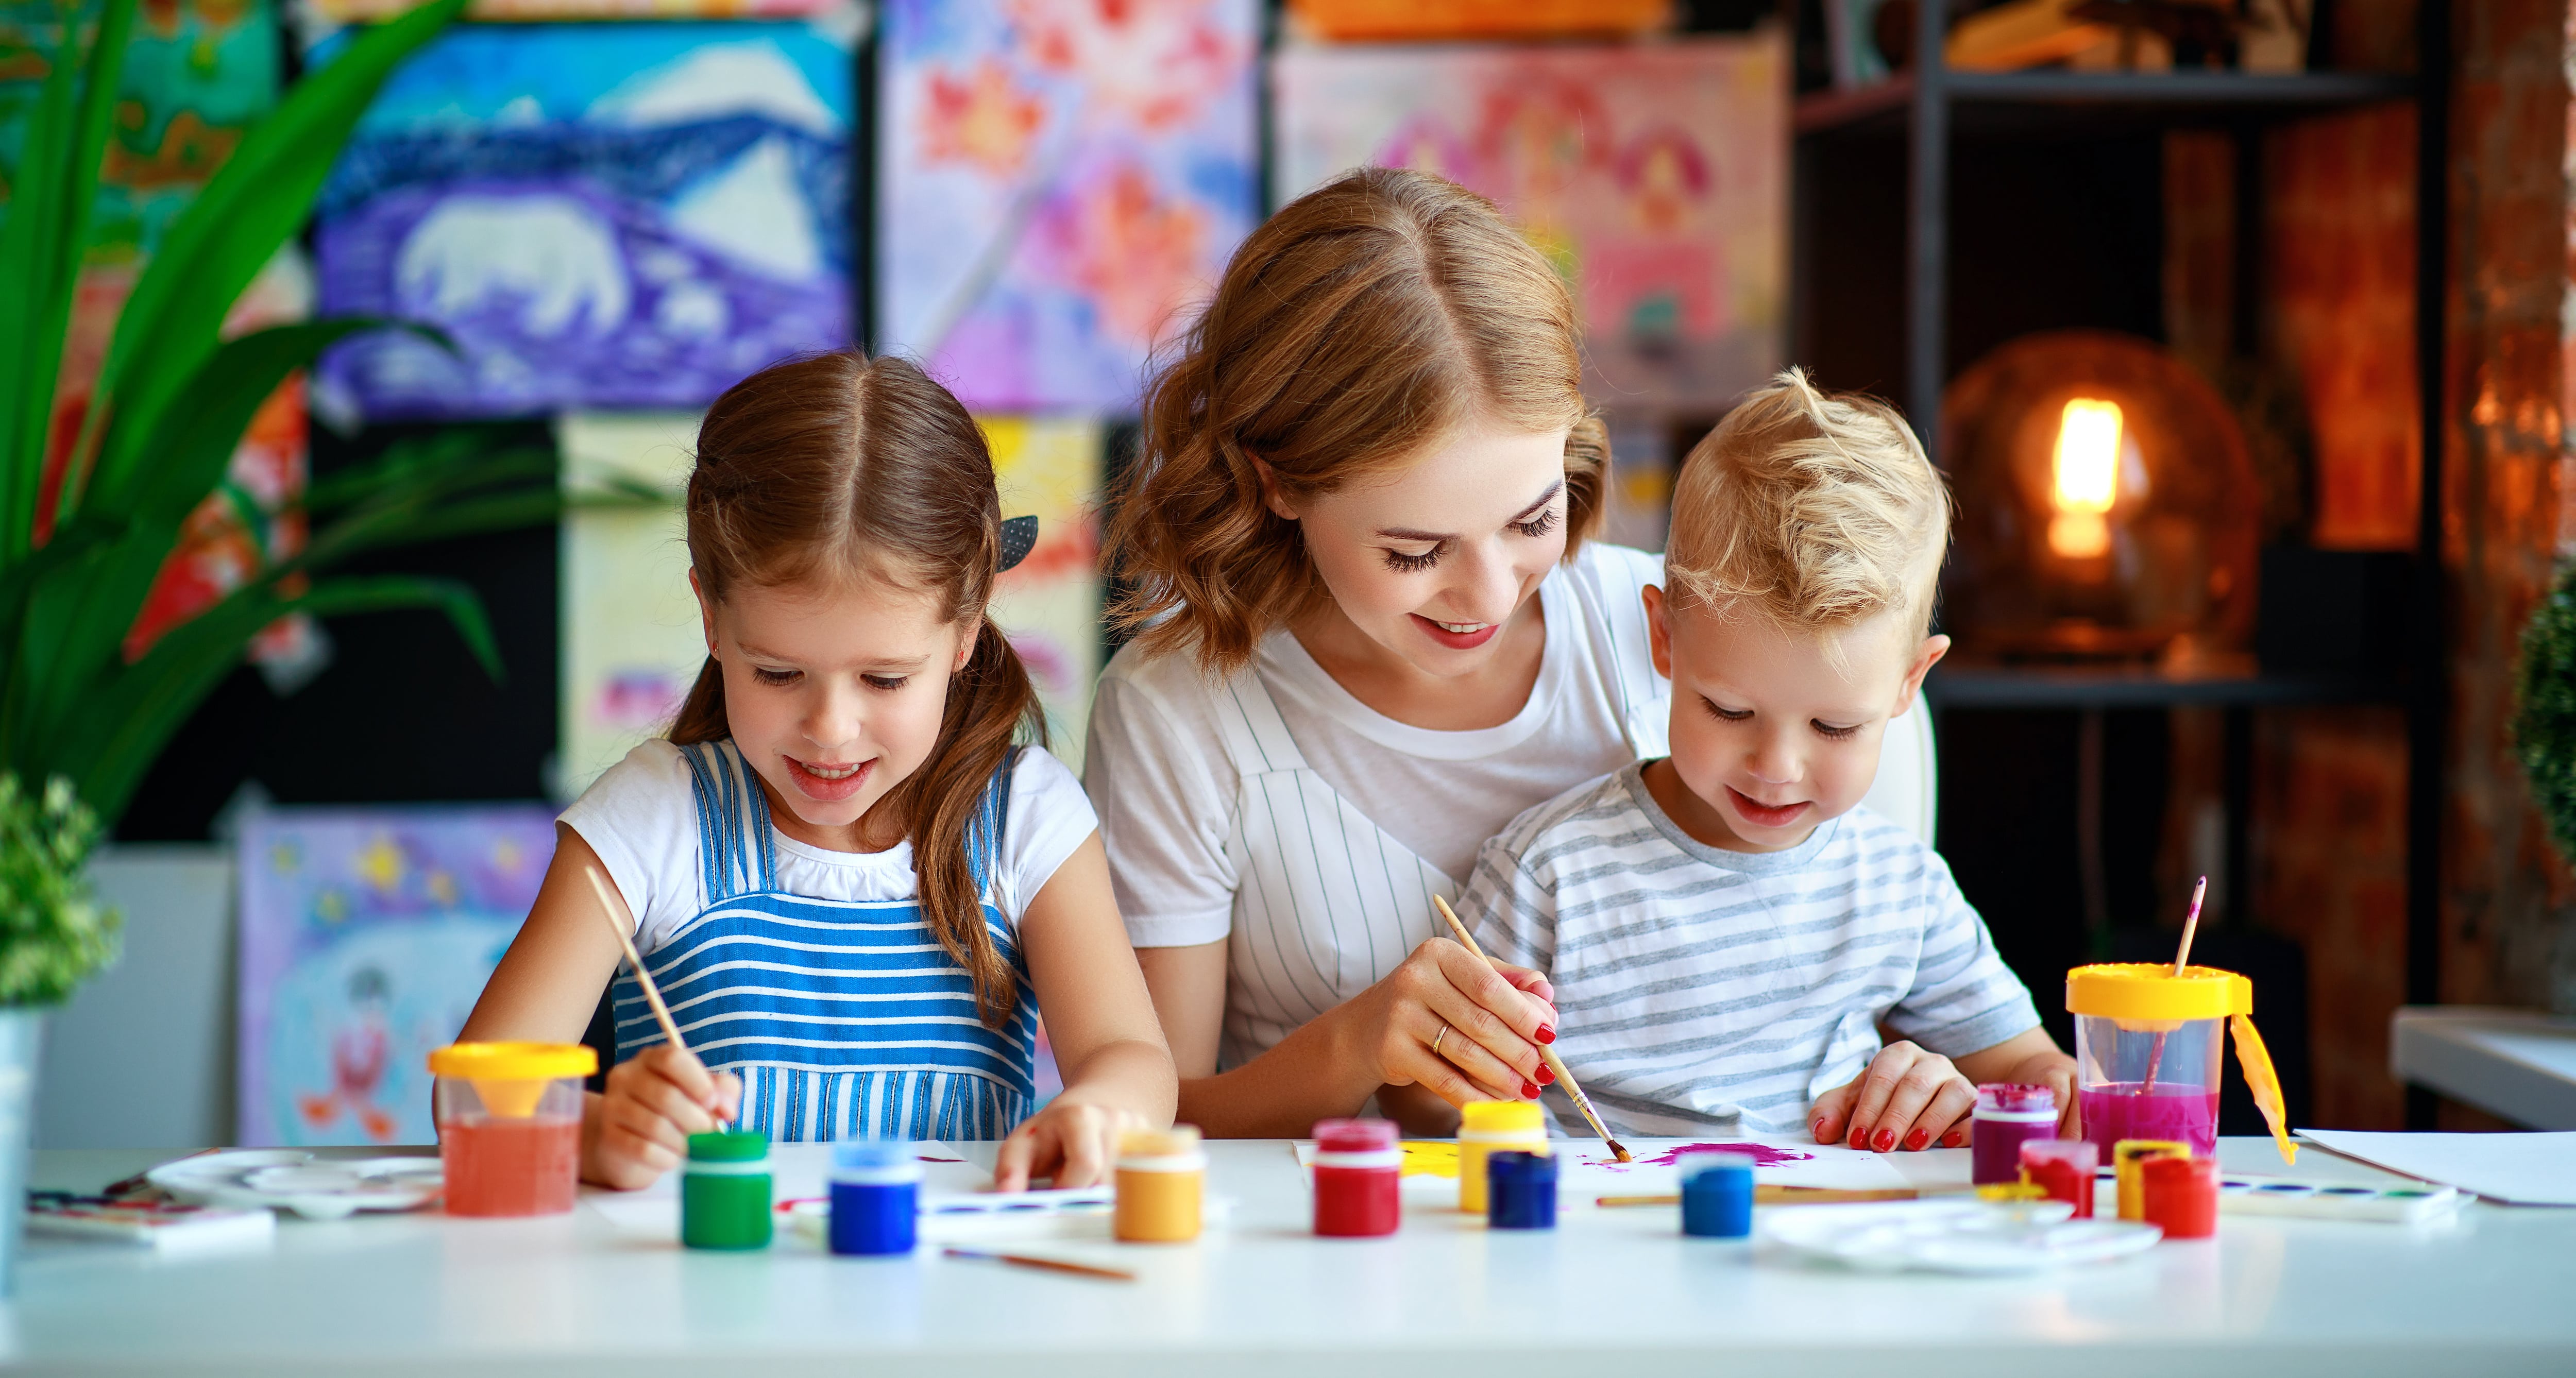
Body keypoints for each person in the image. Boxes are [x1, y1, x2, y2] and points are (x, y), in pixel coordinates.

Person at [1083, 166, 1936, 1138]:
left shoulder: (1701, 636)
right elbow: (1150, 1122)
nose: (1487, 596)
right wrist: (1356, 1047)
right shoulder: (1180, 711)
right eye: (1416, 551)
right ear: (1276, 484)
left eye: (1533, 519)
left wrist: (1916, 1067)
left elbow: (1869, 974)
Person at [461, 352, 1175, 1190]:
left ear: (966, 629)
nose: (831, 729)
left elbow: (1134, 1058)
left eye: (884, 679)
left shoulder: (1023, 816)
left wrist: (1101, 1109)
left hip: (951, 1303)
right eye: (777, 674)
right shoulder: (651, 818)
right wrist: (588, 1133)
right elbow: (474, 1093)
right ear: (711, 618)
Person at [1456, 370, 2077, 1151]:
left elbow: (2030, 1070)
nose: (1777, 767)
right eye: (1731, 711)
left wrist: (1964, 1088)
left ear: (1908, 684)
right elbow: (1430, 1106)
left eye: (1835, 726)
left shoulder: (1899, 888)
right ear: (1665, 640)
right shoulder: (1549, 872)